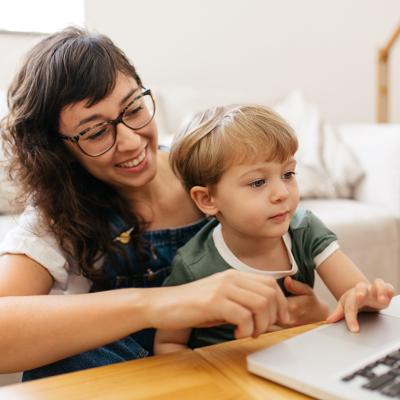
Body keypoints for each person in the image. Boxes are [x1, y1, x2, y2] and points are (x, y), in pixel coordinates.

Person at [0, 28, 291, 380]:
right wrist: (159, 305)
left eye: (134, 108)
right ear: (57, 150)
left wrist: (301, 311)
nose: (130, 140)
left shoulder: (210, 173)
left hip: (227, 365)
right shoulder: (56, 215)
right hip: (130, 377)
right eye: (95, 132)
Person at [154, 105, 394, 355]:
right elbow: (169, 343)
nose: (282, 193)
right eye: (258, 182)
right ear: (207, 199)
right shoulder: (193, 265)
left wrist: (365, 299)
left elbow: (355, 293)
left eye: (288, 174)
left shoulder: (304, 228)